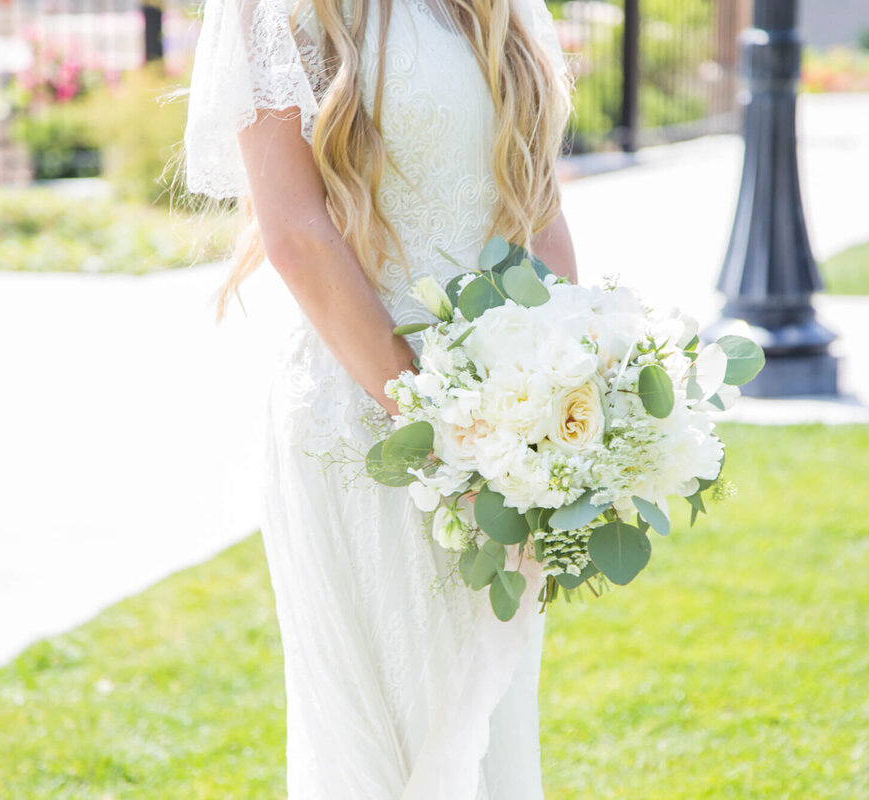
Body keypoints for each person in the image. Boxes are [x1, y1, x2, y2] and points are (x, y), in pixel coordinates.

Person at [183, 0, 577, 795]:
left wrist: (571, 394)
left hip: (505, 430)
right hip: (373, 427)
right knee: (402, 750)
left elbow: (540, 207)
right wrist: (442, 427)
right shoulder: (282, 10)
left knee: (490, 737)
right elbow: (294, 231)